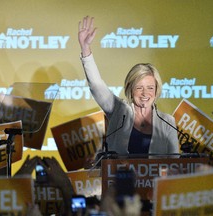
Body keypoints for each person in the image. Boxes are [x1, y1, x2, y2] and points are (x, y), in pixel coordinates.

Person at [77, 16, 179, 156]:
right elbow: (96, 84)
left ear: (156, 90)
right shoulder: (119, 110)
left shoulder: (168, 122)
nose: (145, 93)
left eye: (150, 88)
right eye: (139, 87)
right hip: (119, 177)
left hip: (156, 178)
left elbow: (175, 163)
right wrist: (85, 48)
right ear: (130, 89)